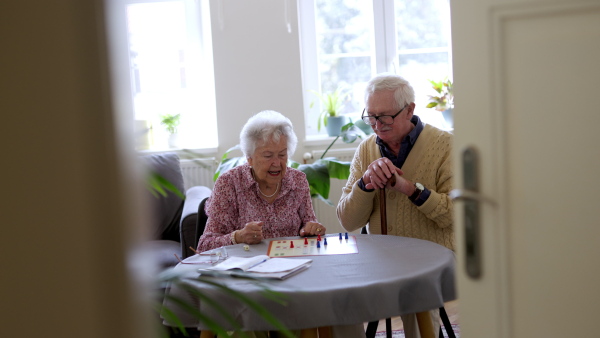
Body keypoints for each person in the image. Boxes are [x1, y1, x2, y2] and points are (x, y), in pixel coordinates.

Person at [336, 73, 454, 338]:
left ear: (410, 109)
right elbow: (348, 221)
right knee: (337, 296)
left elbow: (453, 216)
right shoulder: (366, 149)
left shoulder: (445, 145)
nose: (377, 125)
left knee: (417, 293)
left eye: (386, 116)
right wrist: (365, 184)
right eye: (371, 116)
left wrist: (409, 189)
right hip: (380, 260)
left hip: (431, 258)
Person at [197, 110, 326, 252]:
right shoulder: (228, 184)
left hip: (292, 265)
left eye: (282, 154)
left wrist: (313, 228)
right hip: (247, 270)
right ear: (249, 158)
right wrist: (238, 237)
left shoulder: (297, 181)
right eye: (268, 156)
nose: (277, 163)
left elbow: (310, 224)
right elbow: (204, 246)